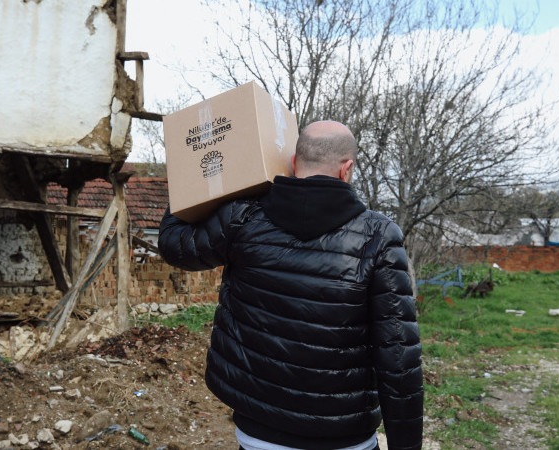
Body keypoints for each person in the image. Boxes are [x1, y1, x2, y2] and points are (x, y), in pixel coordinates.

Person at [158, 121, 423, 450]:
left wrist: (190, 185)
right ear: (347, 168)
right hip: (345, 437)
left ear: (294, 162)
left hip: (259, 432)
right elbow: (398, 357)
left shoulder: (243, 218)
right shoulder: (379, 237)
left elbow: (174, 246)